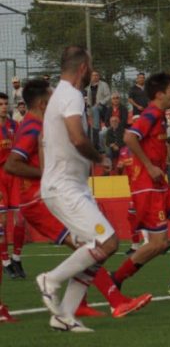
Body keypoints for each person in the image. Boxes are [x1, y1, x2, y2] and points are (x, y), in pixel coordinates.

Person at [4, 78, 152, 320]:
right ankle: (116, 301)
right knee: (93, 246)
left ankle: (79, 304)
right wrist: (48, 174)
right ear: (43, 103)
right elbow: (12, 164)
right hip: (38, 202)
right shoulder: (33, 127)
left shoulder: (39, 125)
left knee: (90, 245)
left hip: (46, 199)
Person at [36, 46, 123, 332]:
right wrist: (100, 158)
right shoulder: (71, 95)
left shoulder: (60, 94)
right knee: (108, 243)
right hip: (65, 188)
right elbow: (76, 138)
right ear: (84, 69)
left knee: (98, 248)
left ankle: (65, 316)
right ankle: (51, 280)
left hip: (68, 186)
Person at [118, 72, 170, 300]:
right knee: (158, 244)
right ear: (159, 94)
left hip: (160, 186)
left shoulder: (161, 115)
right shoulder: (152, 113)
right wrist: (149, 166)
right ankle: (115, 279)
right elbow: (129, 137)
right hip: (148, 187)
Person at [0, 92, 23, 280]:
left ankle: (17, 257)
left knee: (20, 220)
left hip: (14, 175)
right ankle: (5, 261)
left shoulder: (14, 126)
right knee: (2, 223)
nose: (4, 106)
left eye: (6, 103)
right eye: (0, 104)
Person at [86, 70, 110, 149]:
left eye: (97, 75)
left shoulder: (104, 85)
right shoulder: (88, 86)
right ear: (90, 77)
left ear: (99, 76)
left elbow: (108, 96)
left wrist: (100, 102)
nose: (95, 76)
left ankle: (96, 128)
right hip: (91, 110)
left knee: (96, 109)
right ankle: (94, 144)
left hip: (102, 107)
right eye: (93, 75)